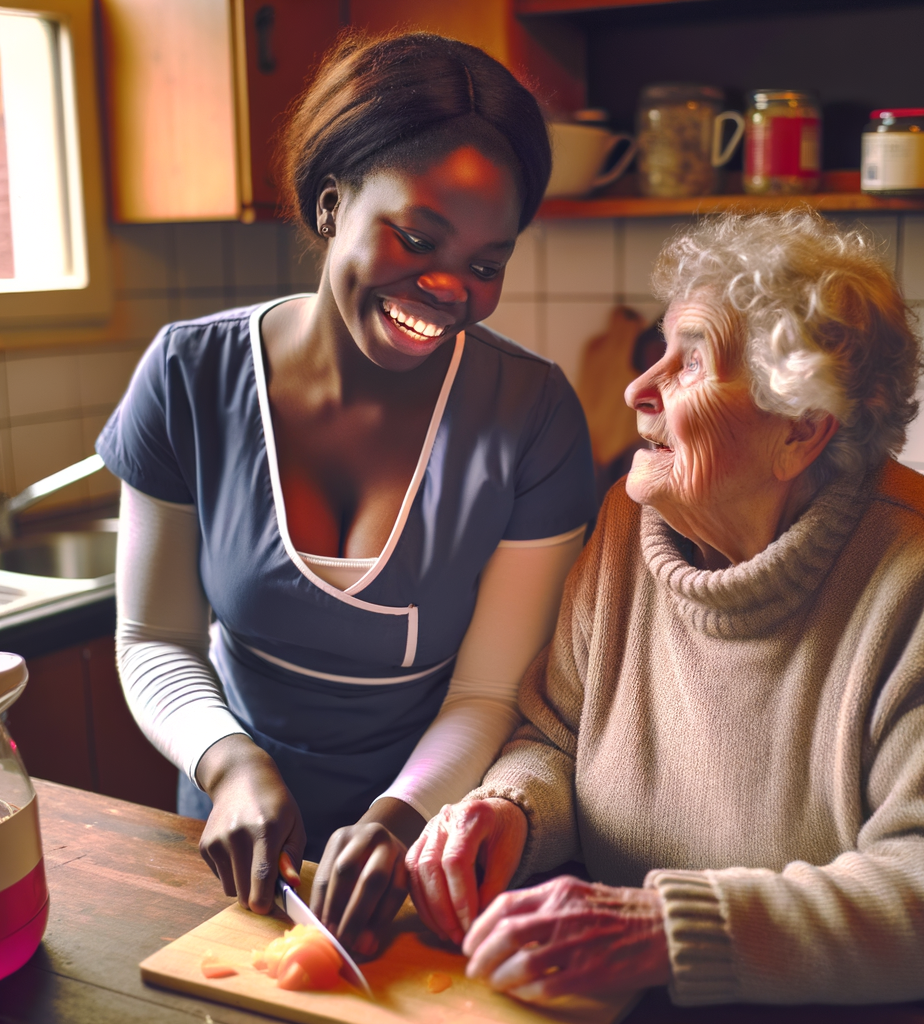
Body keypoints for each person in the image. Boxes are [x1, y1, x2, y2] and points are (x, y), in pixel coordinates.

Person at [406, 210, 924, 1020]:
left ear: (800, 430)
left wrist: (670, 929)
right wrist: (511, 810)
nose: (639, 388)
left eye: (690, 362)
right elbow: (554, 735)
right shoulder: (631, 526)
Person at [97, 31, 595, 958]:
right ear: (332, 204)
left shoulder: (533, 417)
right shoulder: (189, 375)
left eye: (488, 264)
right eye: (417, 236)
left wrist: (403, 819)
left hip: (427, 849)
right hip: (229, 838)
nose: (450, 286)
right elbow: (152, 639)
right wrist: (231, 763)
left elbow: (489, 691)